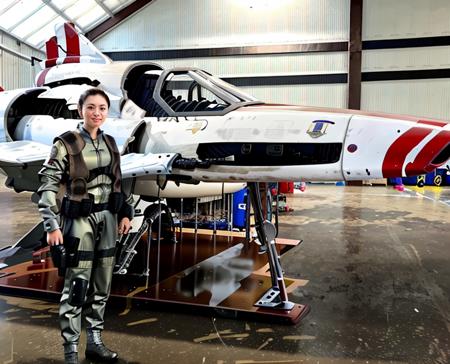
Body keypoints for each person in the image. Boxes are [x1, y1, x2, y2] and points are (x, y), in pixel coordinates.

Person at [37, 88, 134, 364]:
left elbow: (117, 182)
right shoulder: (65, 143)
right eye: (91, 107)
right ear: (81, 110)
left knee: (102, 283)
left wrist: (125, 212)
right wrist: (51, 224)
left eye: (102, 108)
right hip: (79, 223)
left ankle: (95, 342)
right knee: (77, 285)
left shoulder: (112, 144)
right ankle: (70, 351)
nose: (97, 113)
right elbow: (48, 184)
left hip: (108, 220)